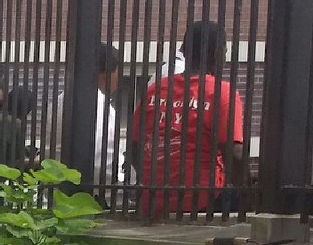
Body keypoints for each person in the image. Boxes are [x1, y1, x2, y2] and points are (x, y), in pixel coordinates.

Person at [134, 19, 245, 218]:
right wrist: (249, 194)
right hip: (204, 198)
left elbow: (134, 148)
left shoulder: (155, 90)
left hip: (154, 199)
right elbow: (234, 154)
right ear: (217, 53)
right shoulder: (222, 93)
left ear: (184, 51)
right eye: (225, 52)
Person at [54, 42, 125, 182]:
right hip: (93, 188)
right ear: (106, 74)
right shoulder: (98, 106)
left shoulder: (61, 101)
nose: (119, 80)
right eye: (118, 72)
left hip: (58, 183)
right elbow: (97, 159)